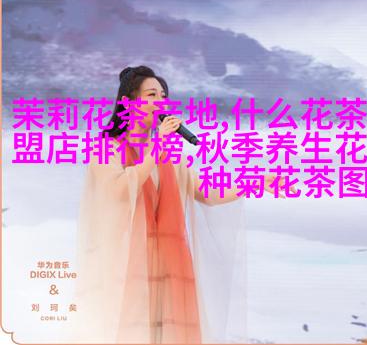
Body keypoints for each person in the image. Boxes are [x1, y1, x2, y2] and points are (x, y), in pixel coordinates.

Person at [71, 66, 294, 344]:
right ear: (128, 102)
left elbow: (208, 193)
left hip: (168, 264)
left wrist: (258, 181)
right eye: (151, 95)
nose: (160, 102)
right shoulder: (107, 148)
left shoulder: (169, 157)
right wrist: (157, 146)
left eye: (163, 96)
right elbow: (118, 190)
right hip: (127, 265)